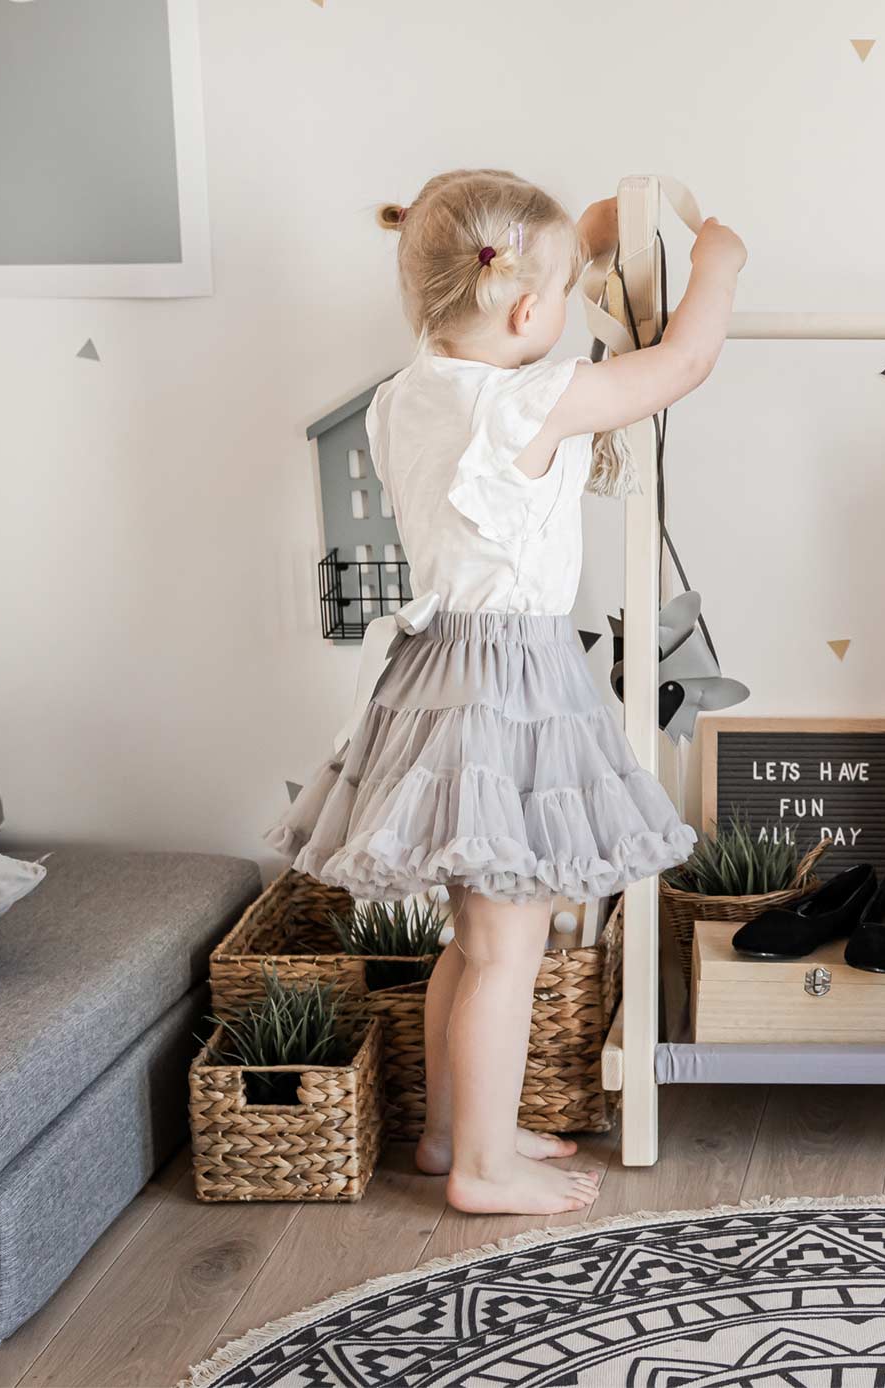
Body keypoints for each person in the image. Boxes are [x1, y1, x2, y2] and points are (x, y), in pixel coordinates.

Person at [267, 169, 745, 1215]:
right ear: (528, 311)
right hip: (507, 683)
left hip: (436, 677)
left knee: (473, 941)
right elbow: (684, 362)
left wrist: (595, 228)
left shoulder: (407, 394)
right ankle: (483, 1166)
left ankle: (452, 1131)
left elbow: (526, 286)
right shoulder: (532, 396)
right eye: (565, 296)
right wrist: (719, 258)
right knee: (510, 949)